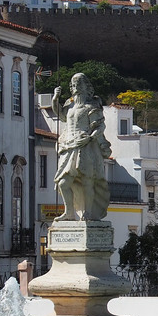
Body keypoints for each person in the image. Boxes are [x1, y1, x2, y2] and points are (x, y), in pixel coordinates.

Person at [53, 73, 112, 221]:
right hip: (69, 145)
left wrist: (90, 138)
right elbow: (61, 115)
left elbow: (100, 126)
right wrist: (55, 98)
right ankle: (69, 212)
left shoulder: (92, 106)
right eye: (72, 85)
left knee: (87, 180)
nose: (74, 87)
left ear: (86, 86)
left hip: (86, 146)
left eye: (78, 84)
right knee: (63, 182)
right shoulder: (70, 105)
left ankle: (88, 212)